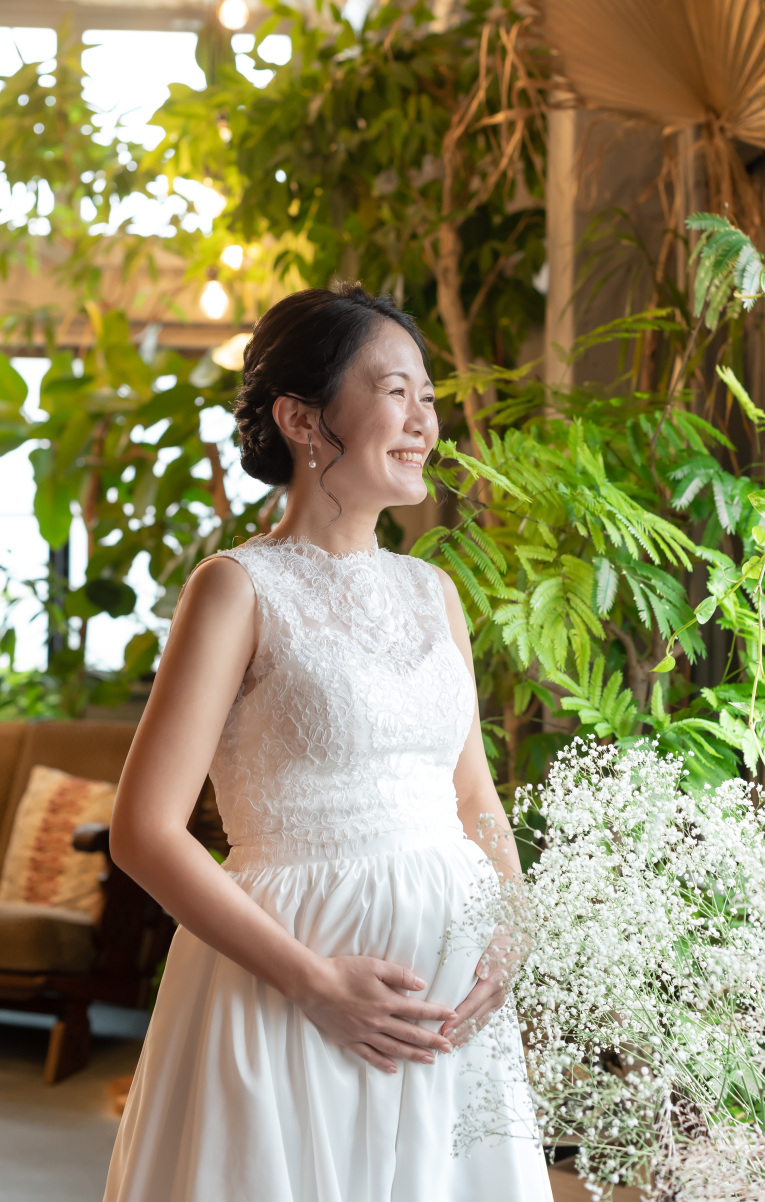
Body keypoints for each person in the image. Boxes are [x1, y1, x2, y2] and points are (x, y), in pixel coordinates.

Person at [102, 284, 554, 1202]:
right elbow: (143, 831)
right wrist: (313, 984)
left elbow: (473, 798)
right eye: (395, 392)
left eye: (428, 396)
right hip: (285, 994)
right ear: (302, 419)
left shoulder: (434, 593)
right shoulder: (236, 588)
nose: (424, 420)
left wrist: (512, 931)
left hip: (444, 1012)